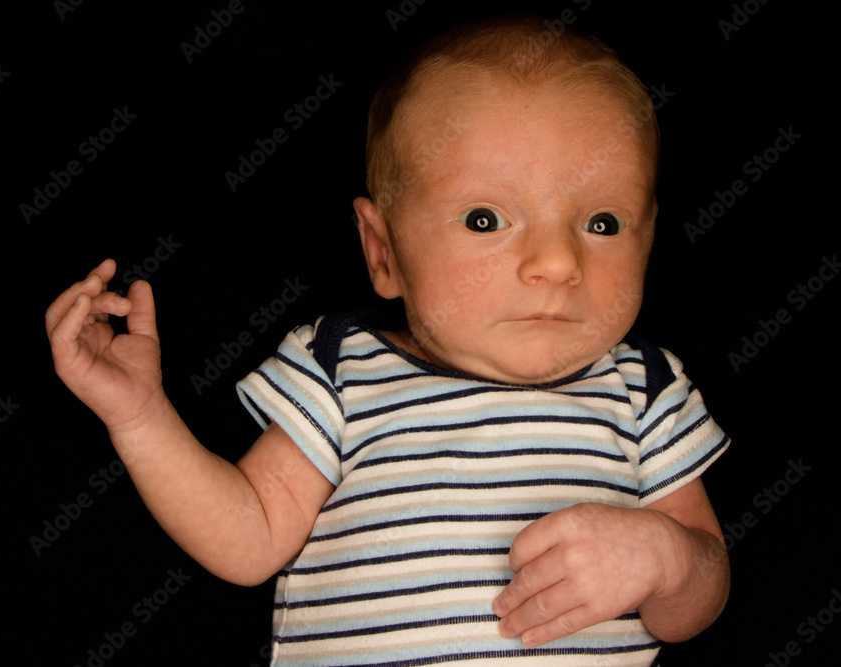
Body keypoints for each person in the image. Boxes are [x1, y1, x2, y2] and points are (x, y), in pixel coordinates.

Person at [45, 15, 730, 666]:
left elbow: (699, 596)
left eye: (603, 223)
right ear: (383, 251)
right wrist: (139, 415)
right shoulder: (343, 368)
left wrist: (669, 559)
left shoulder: (643, 388)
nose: (557, 262)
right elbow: (248, 538)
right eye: (486, 219)